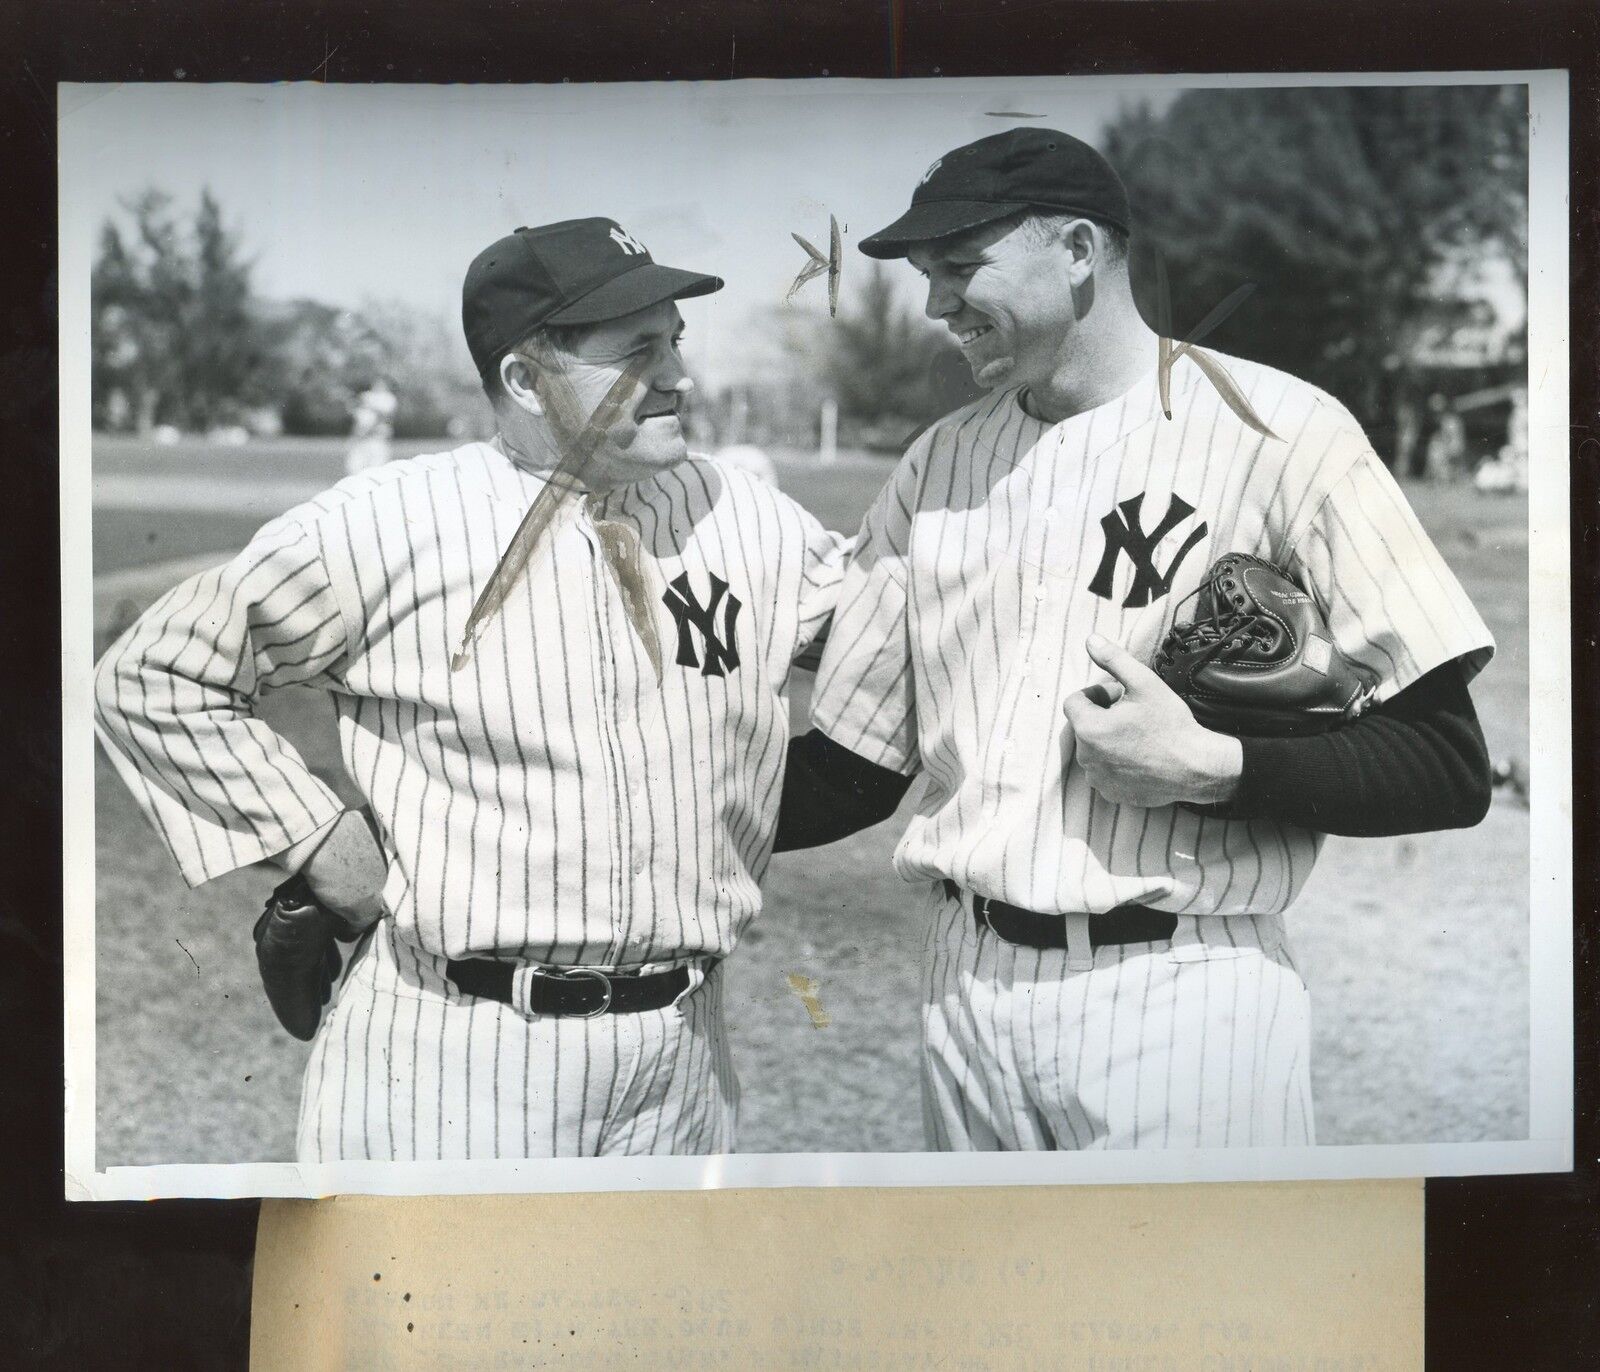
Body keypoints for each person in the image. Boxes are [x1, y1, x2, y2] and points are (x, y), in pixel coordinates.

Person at [775, 129, 1494, 1152]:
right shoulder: (940, 463)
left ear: (1076, 250)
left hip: (1181, 993)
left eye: (959, 268)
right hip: (963, 989)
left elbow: (1447, 764)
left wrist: (1218, 767)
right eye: (927, 276)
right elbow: (853, 763)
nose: (935, 307)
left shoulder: (1284, 432)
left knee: (1187, 1314)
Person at [95, 217, 848, 1161]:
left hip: (685, 1061)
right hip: (456, 1053)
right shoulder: (388, 521)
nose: (677, 375)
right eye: (637, 350)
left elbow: (903, 638)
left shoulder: (747, 515)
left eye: (676, 341)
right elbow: (154, 673)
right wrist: (319, 844)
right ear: (525, 378)